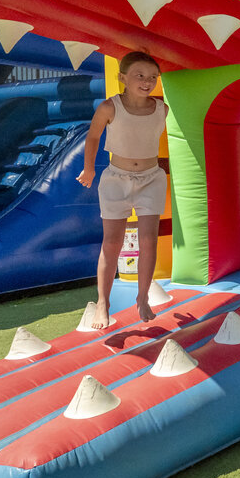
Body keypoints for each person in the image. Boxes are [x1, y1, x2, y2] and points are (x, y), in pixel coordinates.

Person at [77, 51, 168, 329]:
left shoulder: (162, 109)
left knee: (148, 240)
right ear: (122, 78)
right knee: (112, 242)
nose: (147, 81)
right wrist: (89, 169)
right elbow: (93, 136)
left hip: (151, 179)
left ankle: (142, 297)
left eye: (152, 77)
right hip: (116, 179)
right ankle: (102, 303)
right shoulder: (110, 107)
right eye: (139, 75)